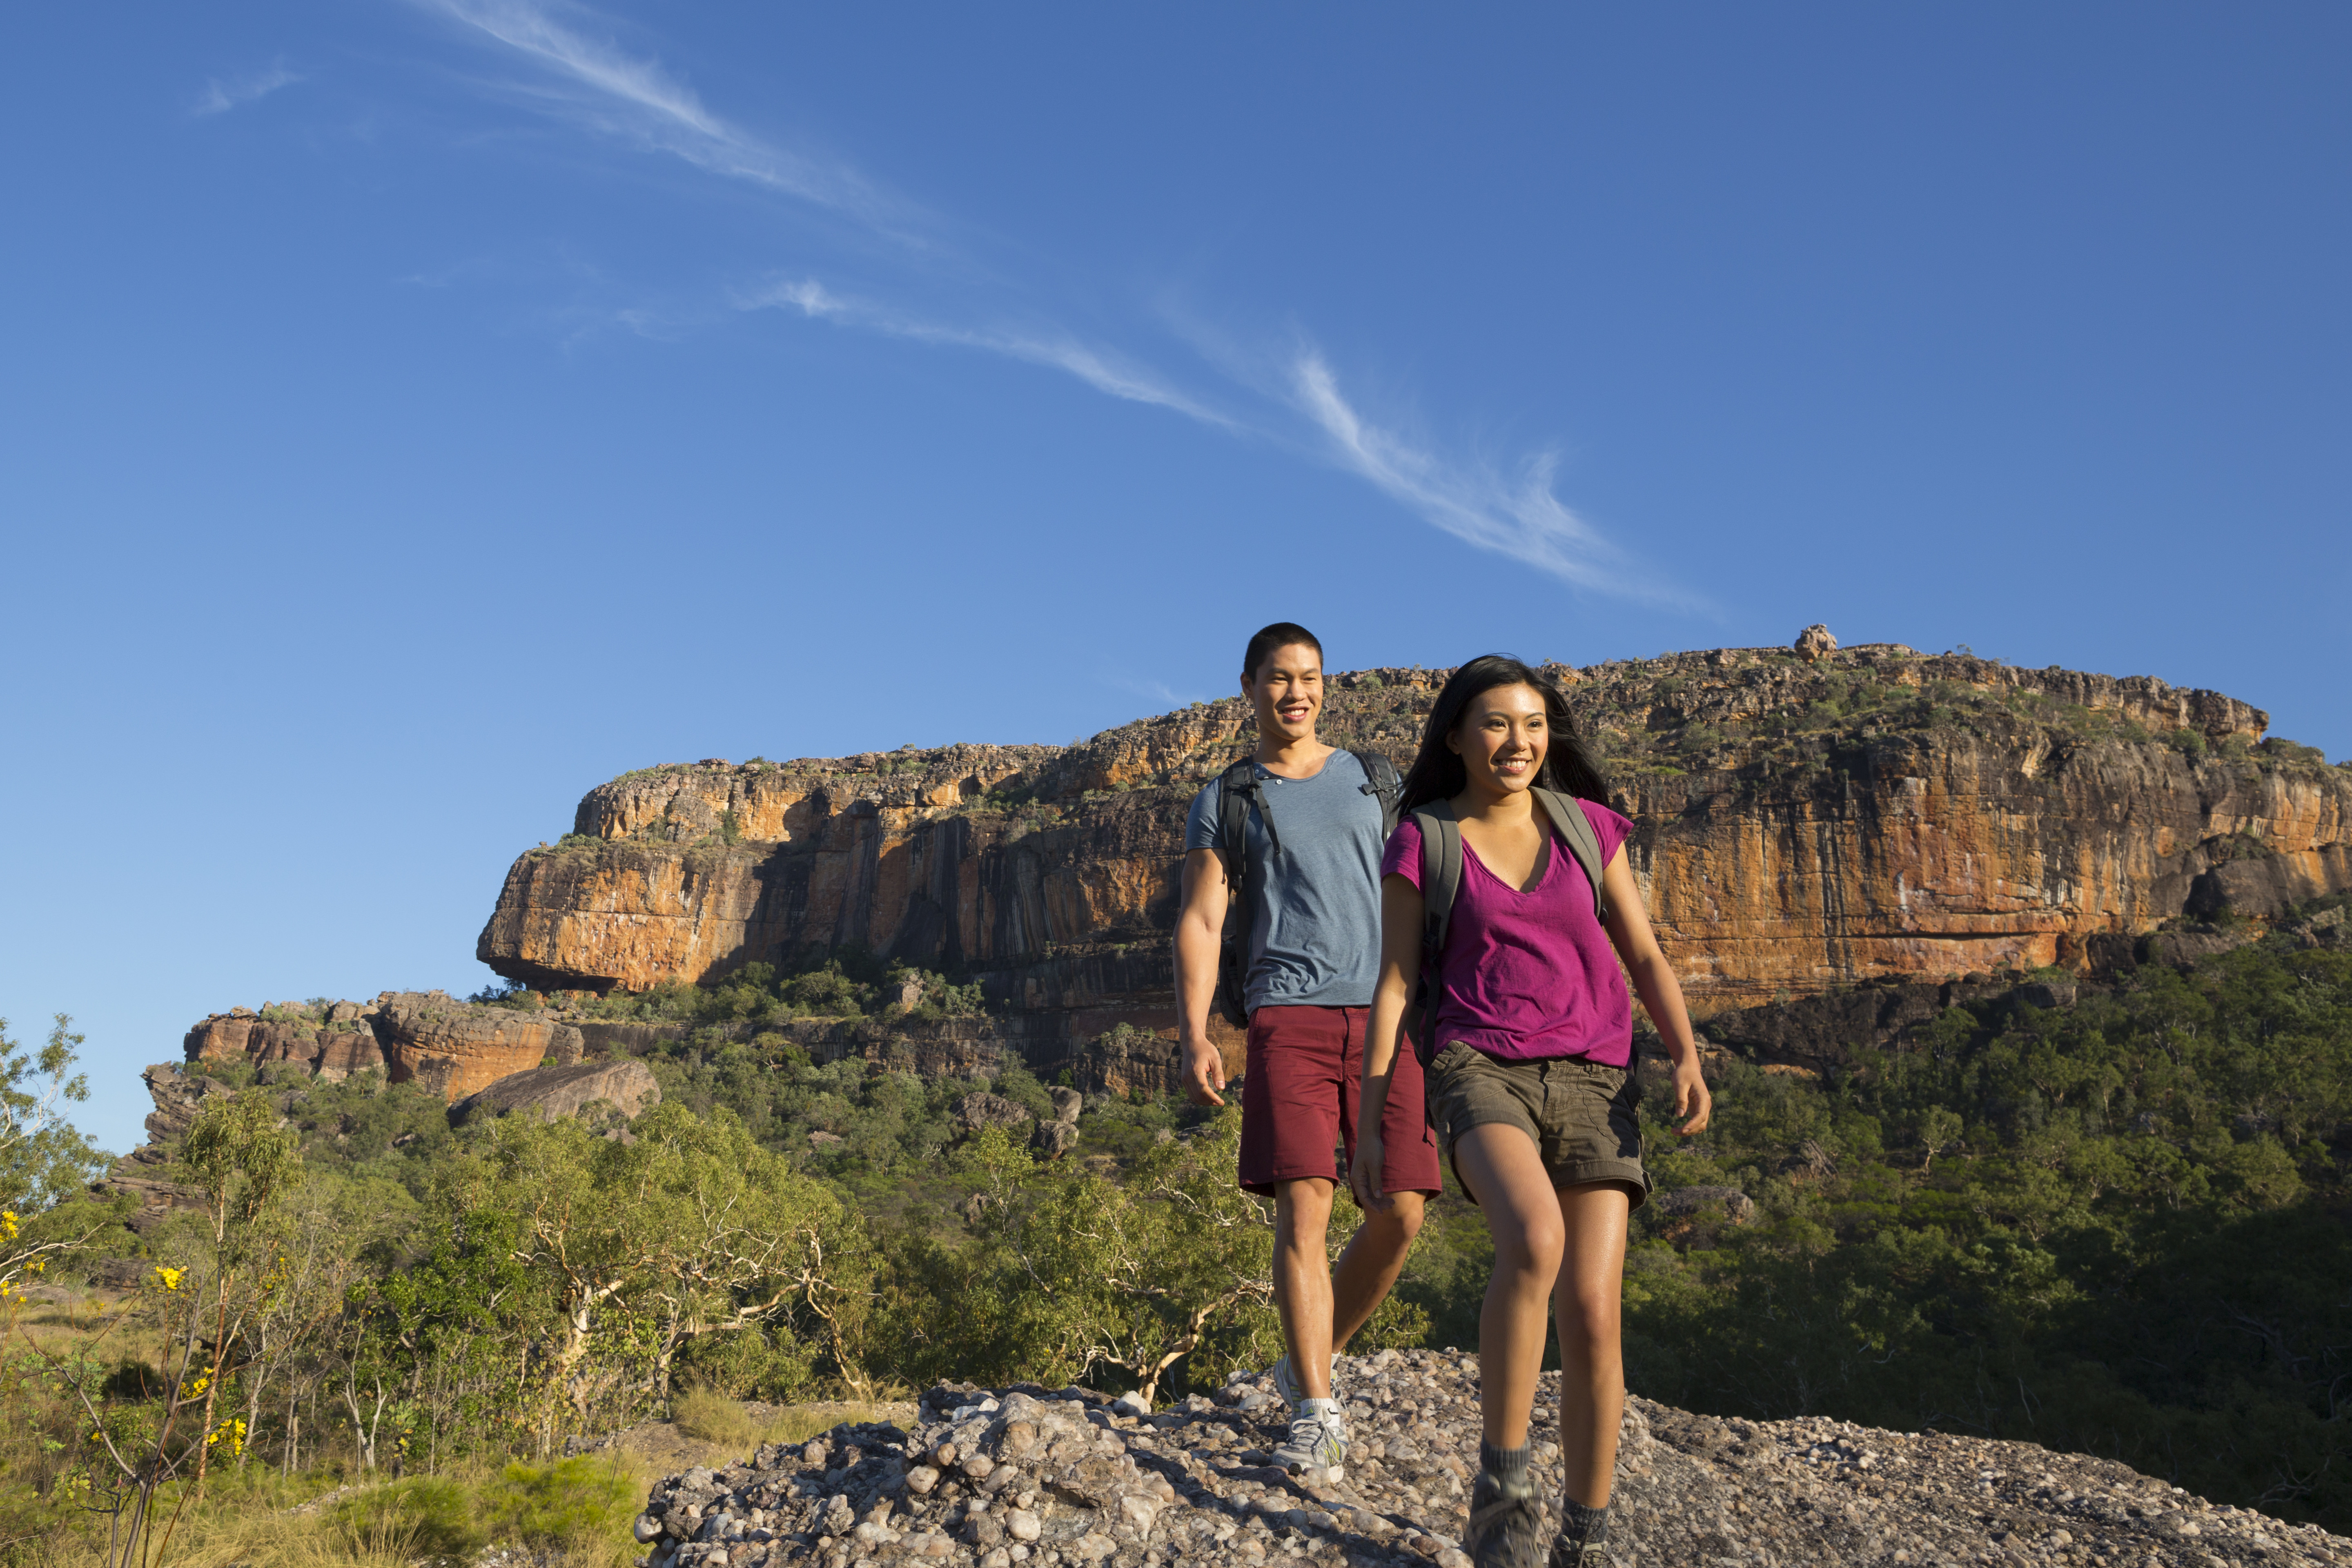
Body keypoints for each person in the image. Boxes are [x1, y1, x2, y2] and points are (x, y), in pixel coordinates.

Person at [1350, 655, 1712, 1568]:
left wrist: (1685, 1053)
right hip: (1481, 1069)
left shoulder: (1590, 828)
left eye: (1534, 724)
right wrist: (1371, 1116)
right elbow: (1394, 981)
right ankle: (1503, 1489)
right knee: (1536, 1239)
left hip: (1596, 1074)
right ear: (1458, 737)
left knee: (1593, 1309)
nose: (1519, 741)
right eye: (1498, 724)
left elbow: (1642, 949)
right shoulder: (1424, 839)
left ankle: (1582, 1541)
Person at [1174, 622, 1442, 1475]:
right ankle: (1318, 1411)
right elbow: (1204, 919)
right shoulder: (1229, 796)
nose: (1298, 693)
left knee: (1400, 1211)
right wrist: (1196, 1032)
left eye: (1312, 678)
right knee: (1306, 1210)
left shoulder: (1374, 780)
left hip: (1385, 1016)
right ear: (1249, 686)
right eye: (1281, 678)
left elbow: (1429, 886)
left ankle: (1303, 1364)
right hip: (1285, 1015)